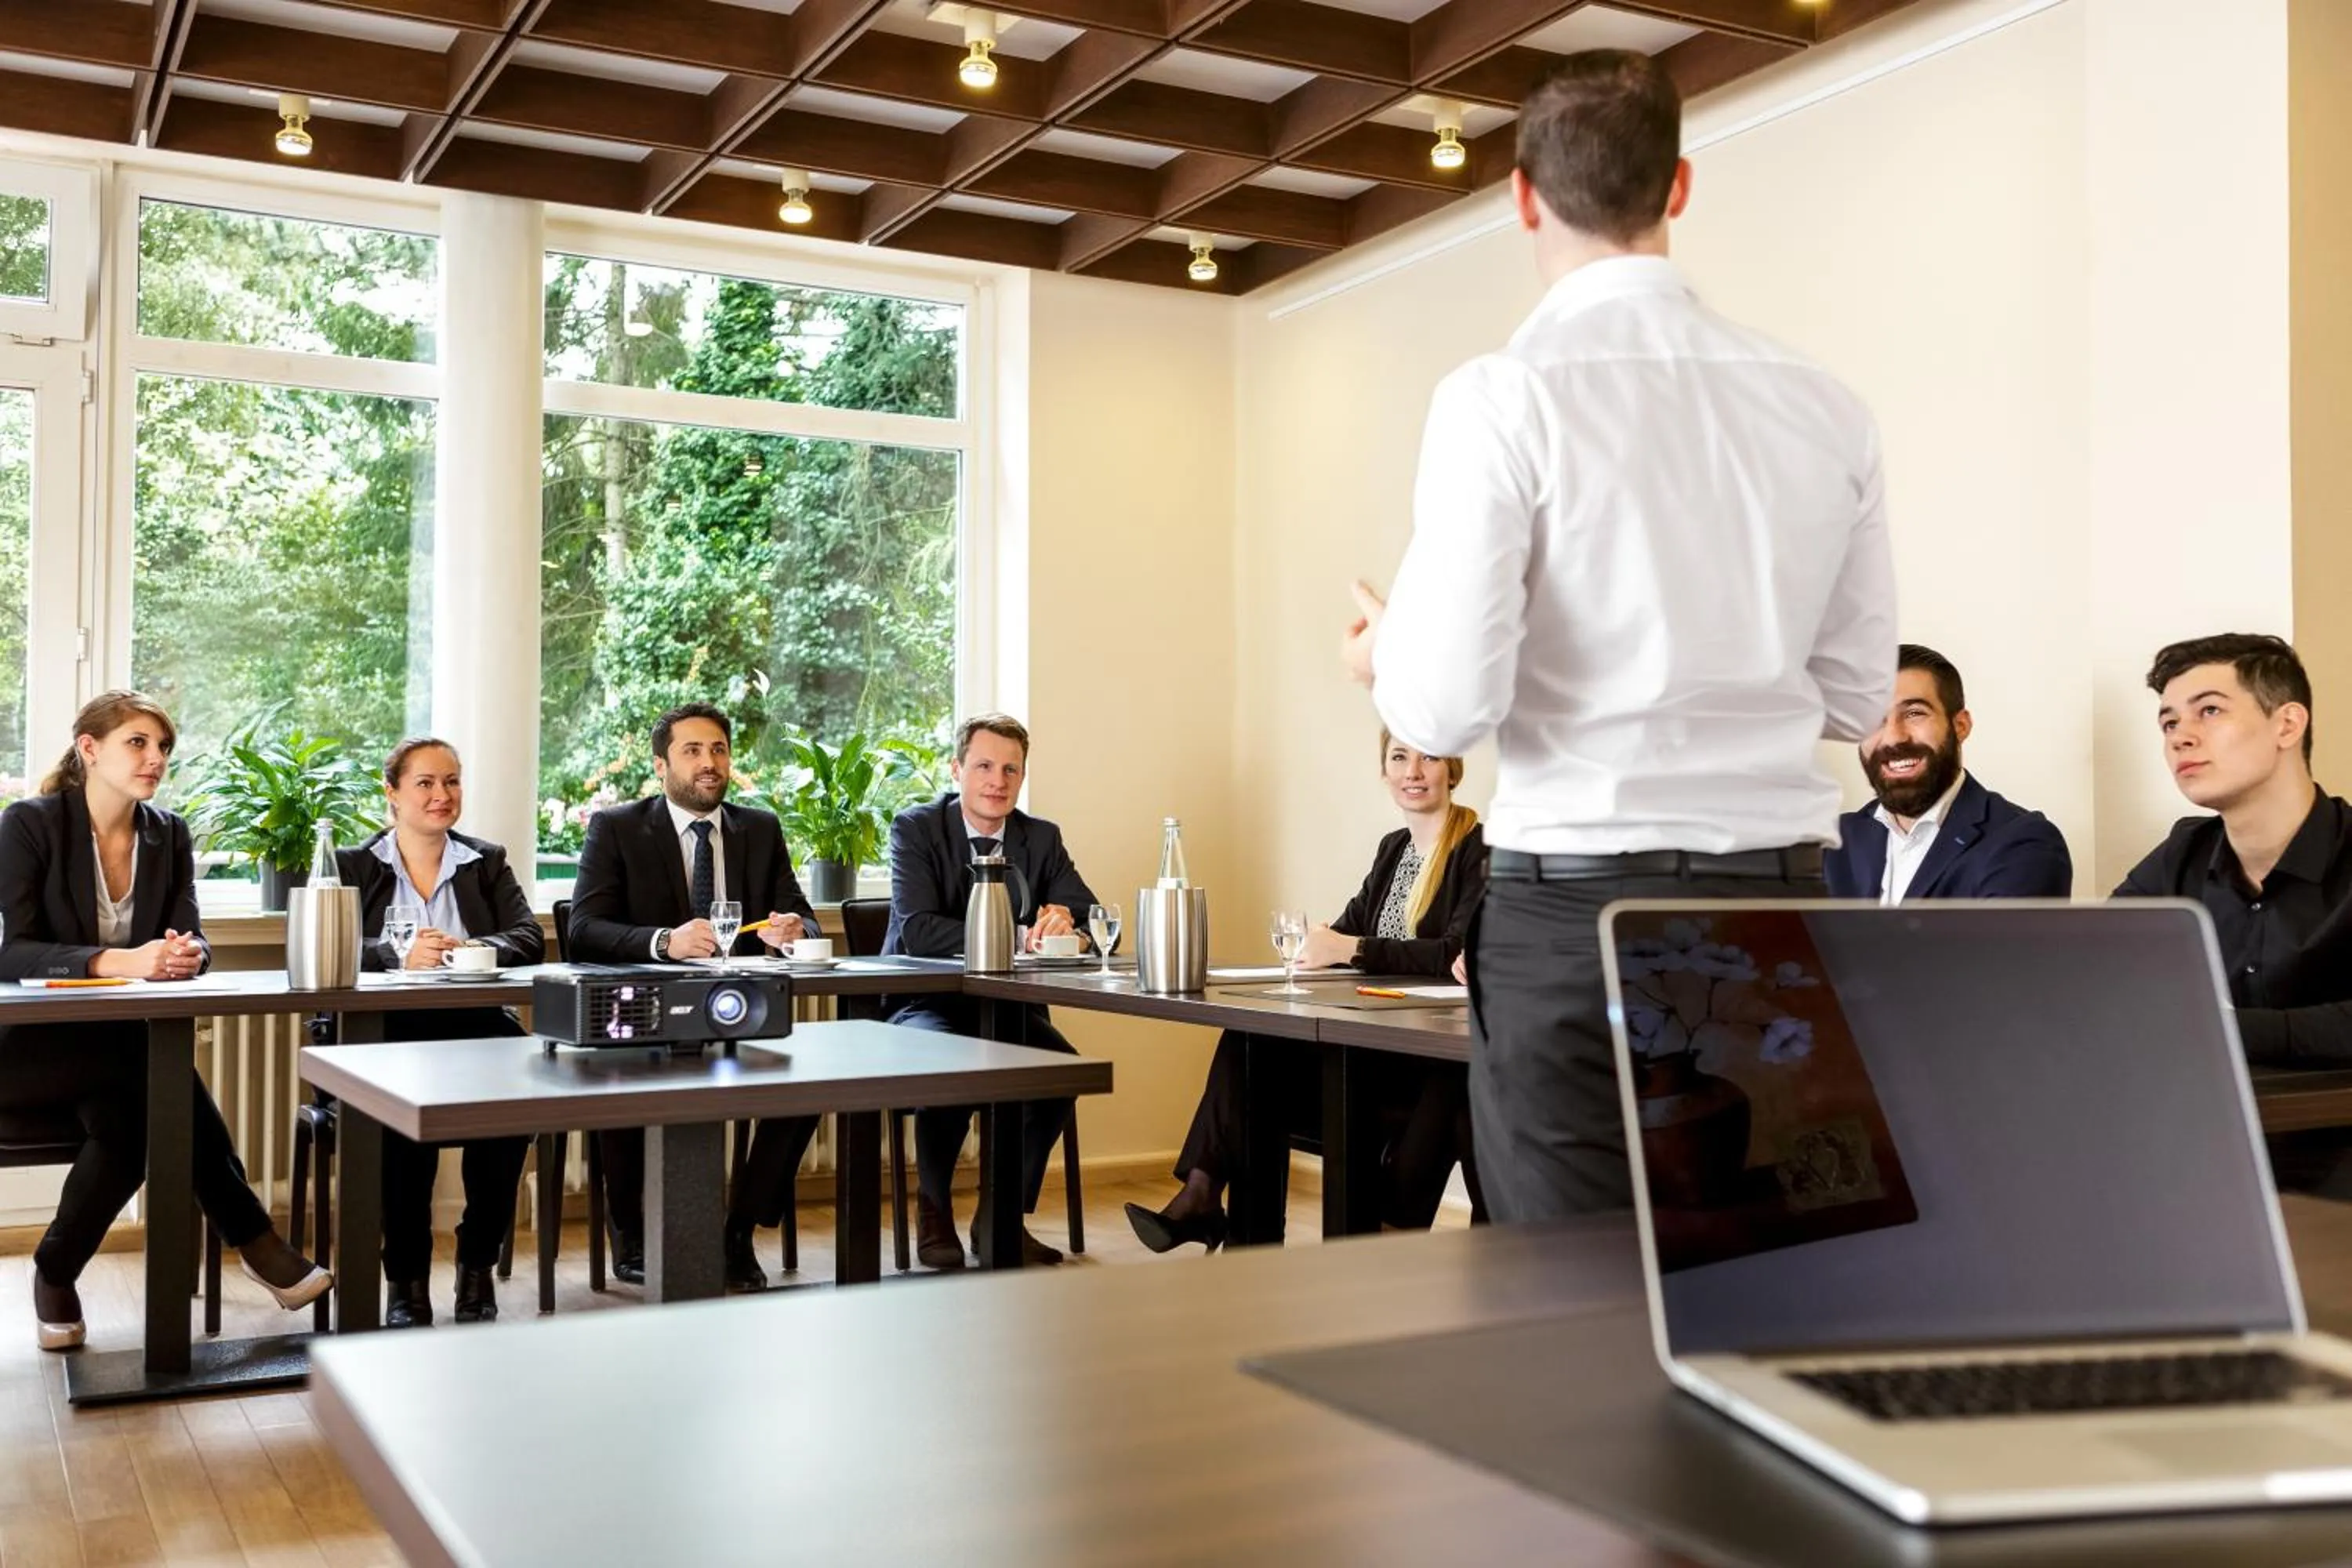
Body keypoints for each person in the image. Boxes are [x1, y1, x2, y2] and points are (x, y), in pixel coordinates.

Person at [1341, 49, 1896, 1224]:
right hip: (1778, 909)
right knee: (1779, 1292)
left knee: (1568, 1310)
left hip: (1573, 912)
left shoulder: (1500, 397)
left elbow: (1441, 711)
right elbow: (1855, 699)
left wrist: (1387, 650)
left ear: (1523, 196)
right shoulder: (1826, 405)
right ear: (1679, 188)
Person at [0, 691, 331, 1351]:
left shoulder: (168, 833)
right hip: (26, 1051)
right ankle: (256, 1240)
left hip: (117, 1057)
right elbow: (14, 953)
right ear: (89, 749)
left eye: (163, 748)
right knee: (157, 1078)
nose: (155, 759)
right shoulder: (31, 824)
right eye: (137, 743)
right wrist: (120, 959)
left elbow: (197, 935)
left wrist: (187, 955)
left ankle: (55, 1273)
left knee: (133, 1115)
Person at [1127, 731, 1488, 1250]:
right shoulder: (1394, 850)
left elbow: (1450, 952)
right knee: (1249, 1041)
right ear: (1384, 771)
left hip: (1420, 1058)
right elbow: (1349, 927)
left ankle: (1216, 1207)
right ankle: (1205, 1196)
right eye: (1399, 757)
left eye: (1428, 756)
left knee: (1261, 1055)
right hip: (1367, 1038)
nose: (1413, 771)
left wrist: (1351, 948)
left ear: (1451, 768)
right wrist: (1321, 944)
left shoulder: (1476, 848)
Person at [567, 702, 821, 1291]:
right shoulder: (619, 828)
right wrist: (664, 941)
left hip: (743, 1013)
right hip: (644, 1014)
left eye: (719, 750)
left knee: (810, 1086)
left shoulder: (760, 828)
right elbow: (583, 928)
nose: (710, 764)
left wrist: (792, 931)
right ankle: (630, 1237)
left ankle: (736, 1232)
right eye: (693, 751)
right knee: (620, 1076)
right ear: (661, 765)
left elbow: (804, 918)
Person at [2114, 634, 2352, 1196]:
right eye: (2168, 724)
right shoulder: (2184, 853)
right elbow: (2097, 972)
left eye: (2210, 711)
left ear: (2288, 726)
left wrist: (2223, 1027)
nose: (2182, 738)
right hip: (2208, 1141)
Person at [336, 738, 545, 1327]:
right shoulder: (354, 865)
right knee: (399, 1127)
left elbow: (527, 937)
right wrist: (396, 955)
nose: (442, 795)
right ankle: (405, 1281)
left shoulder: (485, 860)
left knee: (514, 1108)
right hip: (383, 1035)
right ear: (392, 793)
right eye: (425, 783)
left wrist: (475, 948)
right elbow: (333, 945)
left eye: (451, 782)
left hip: (474, 1028)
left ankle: (477, 1264)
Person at [883, 713, 1097, 1269]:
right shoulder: (916, 828)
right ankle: (934, 1215)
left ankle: (1000, 1219)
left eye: (1011, 769)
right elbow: (919, 929)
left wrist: (1065, 923)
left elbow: (1093, 918)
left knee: (1060, 1076)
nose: (997, 780)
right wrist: (1024, 934)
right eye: (983, 766)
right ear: (957, 770)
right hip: (924, 1003)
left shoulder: (1040, 837)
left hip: (1007, 1011)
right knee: (950, 1069)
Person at [1824, 644, 2072, 902]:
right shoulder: (1831, 844)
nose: (1893, 737)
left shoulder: (2024, 844)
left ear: (1961, 726)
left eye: (1914, 713)